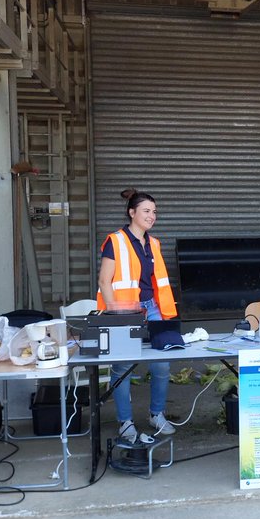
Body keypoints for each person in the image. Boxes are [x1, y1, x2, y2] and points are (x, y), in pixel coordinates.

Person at [97, 188, 177, 443]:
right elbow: (104, 281)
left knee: (162, 362)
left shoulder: (153, 243)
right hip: (124, 310)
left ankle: (156, 414)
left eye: (154, 212)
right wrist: (115, 314)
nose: (152, 216)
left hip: (152, 307)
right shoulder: (116, 240)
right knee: (122, 366)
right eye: (146, 211)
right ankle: (125, 421)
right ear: (132, 212)